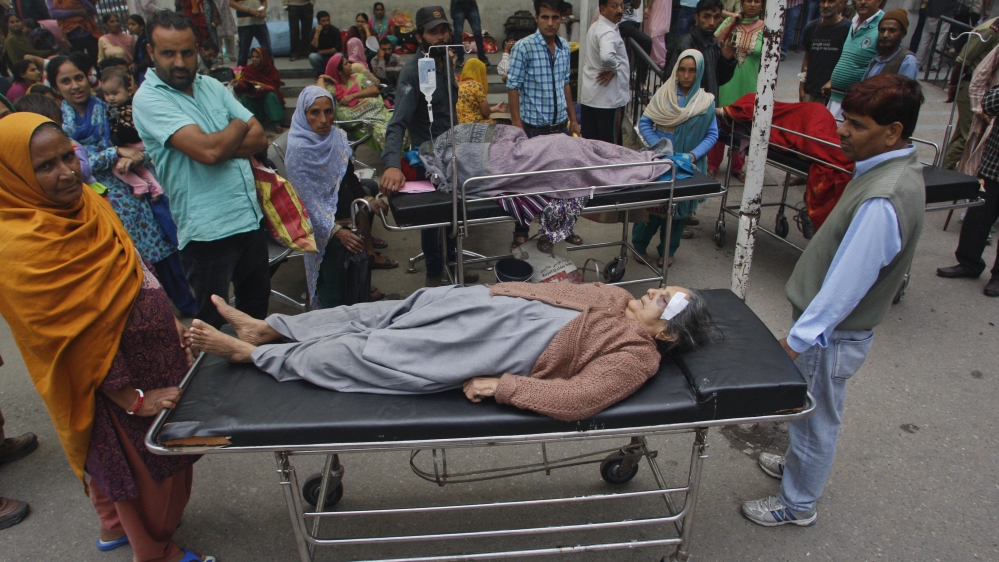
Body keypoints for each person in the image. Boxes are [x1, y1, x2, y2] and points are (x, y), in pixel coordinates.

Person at [0, 112, 212, 561]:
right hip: (116, 385)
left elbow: (133, 267)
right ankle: (156, 553)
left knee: (123, 469)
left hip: (150, 360)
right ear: (13, 173)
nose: (65, 173)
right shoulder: (16, 247)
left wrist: (170, 320)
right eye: (45, 166)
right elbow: (69, 341)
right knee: (144, 472)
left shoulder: (87, 205)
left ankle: (115, 527)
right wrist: (132, 397)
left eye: (67, 157)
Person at [741, 74, 927, 528]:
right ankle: (798, 471)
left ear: (893, 132)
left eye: (857, 125)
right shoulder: (885, 172)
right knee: (810, 417)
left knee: (816, 418)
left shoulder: (884, 197)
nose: (842, 130)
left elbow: (847, 285)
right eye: (844, 118)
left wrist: (798, 340)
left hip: (832, 335)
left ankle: (798, 503)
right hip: (830, 331)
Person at [187, 283, 715, 421]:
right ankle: (272, 328)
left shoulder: (637, 354)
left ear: (667, 334)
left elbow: (579, 398)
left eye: (664, 302)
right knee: (374, 313)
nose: (655, 293)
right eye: (663, 290)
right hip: (479, 305)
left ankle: (252, 355)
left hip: (487, 344)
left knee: (368, 354)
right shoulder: (621, 300)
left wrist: (503, 387)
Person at [133, 11, 272, 329]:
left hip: (248, 219)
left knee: (256, 313)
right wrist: (237, 124)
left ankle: (254, 375)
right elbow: (209, 151)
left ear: (197, 49)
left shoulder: (209, 85)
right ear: (152, 53)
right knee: (214, 326)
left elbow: (259, 136)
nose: (180, 62)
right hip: (206, 233)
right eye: (168, 53)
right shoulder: (149, 99)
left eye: (187, 51)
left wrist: (220, 143)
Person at [50, 55, 196, 317]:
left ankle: (191, 310)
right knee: (132, 263)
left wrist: (133, 154)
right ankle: (156, 317)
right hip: (104, 201)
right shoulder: (60, 127)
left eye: (79, 77)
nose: (75, 85)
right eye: (65, 81)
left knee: (166, 252)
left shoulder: (111, 107)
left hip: (142, 194)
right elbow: (77, 167)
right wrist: (115, 152)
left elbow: (144, 144)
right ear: (55, 88)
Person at [379, 5, 479, 287]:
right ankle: (435, 275)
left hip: (453, 155)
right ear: (420, 35)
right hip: (427, 159)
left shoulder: (444, 61)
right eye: (432, 32)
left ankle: (453, 267)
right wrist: (390, 164)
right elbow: (397, 123)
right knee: (433, 217)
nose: (440, 36)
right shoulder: (413, 72)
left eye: (443, 30)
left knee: (453, 217)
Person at [285, 87, 397, 309]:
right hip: (324, 234)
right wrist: (337, 232)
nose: (324, 120)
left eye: (329, 112)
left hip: (349, 223)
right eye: (315, 113)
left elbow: (347, 177)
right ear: (303, 114)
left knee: (354, 288)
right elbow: (306, 203)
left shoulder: (336, 138)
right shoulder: (299, 150)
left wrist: (367, 198)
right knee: (333, 294)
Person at [507, 0, 582, 246]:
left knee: (562, 181)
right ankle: (521, 230)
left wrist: (573, 120)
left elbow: (565, 85)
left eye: (555, 18)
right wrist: (517, 124)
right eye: (545, 17)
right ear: (537, 18)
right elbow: (513, 86)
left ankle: (560, 229)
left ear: (561, 19)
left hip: (559, 127)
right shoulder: (524, 47)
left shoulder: (563, 49)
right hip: (532, 128)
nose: (550, 23)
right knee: (528, 183)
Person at [636, 50, 717, 268]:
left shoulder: (705, 102)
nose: (687, 75)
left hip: (688, 165)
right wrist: (663, 149)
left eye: (692, 70)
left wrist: (692, 155)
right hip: (660, 162)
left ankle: (668, 250)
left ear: (699, 72)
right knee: (652, 208)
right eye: (682, 69)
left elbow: (712, 134)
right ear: (676, 70)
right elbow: (645, 124)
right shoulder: (663, 95)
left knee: (679, 212)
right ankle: (638, 246)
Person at [936, 80, 999, 296]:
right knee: (977, 216)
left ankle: (998, 277)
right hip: (993, 167)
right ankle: (969, 262)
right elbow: (988, 104)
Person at [706, 0, 764, 181]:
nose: (753, 5)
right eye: (749, 1)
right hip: (725, 82)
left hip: (750, 85)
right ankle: (712, 166)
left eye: (757, 1)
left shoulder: (768, 29)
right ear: (742, 3)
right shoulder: (731, 22)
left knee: (743, 125)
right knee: (718, 122)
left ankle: (738, 167)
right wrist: (732, 21)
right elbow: (713, 42)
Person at [942, 16, 999, 170]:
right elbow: (963, 60)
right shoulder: (990, 30)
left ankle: (944, 168)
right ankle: (944, 169)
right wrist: (953, 86)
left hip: (976, 87)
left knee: (961, 134)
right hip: (971, 87)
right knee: (968, 136)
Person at [664, 0, 737, 99]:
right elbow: (670, 81)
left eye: (716, 17)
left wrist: (726, 60)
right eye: (706, 17)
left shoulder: (714, 44)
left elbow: (719, 79)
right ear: (697, 18)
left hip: (708, 107)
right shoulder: (684, 44)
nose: (711, 22)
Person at [580, 0, 629, 145]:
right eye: (614, 6)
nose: (620, 10)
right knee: (611, 149)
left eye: (621, 5)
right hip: (608, 100)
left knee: (592, 146)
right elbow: (607, 57)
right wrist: (614, 68)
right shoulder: (608, 31)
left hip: (591, 97)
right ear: (602, 9)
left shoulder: (596, 27)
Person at [319, 53, 390, 150]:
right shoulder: (333, 87)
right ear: (339, 71)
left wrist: (353, 96)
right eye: (346, 64)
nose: (350, 65)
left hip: (378, 116)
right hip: (358, 125)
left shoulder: (359, 77)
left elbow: (375, 90)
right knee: (385, 134)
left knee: (396, 130)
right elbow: (320, 96)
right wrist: (321, 78)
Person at [825, 0, 882, 119]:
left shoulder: (884, 26)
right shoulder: (854, 22)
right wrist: (833, 80)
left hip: (856, 104)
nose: (863, 2)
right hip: (836, 97)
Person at [799, 0, 849, 105]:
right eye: (822, 2)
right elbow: (807, 57)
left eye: (831, 1)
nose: (825, 5)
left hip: (833, 93)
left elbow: (849, 60)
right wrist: (802, 85)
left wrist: (833, 82)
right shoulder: (811, 27)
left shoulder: (848, 28)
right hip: (811, 90)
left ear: (839, 3)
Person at [233, 47, 285, 133]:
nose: (254, 59)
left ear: (263, 58)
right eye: (253, 57)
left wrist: (265, 88)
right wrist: (238, 84)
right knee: (244, 97)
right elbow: (245, 84)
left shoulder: (271, 70)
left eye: (257, 57)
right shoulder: (248, 69)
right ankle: (255, 122)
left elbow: (275, 85)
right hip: (253, 97)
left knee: (271, 96)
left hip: (265, 96)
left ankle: (276, 123)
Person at [861, 9, 918, 81]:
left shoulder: (907, 60)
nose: (885, 35)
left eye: (892, 30)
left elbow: (904, 90)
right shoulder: (876, 59)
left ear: (902, 34)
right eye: (882, 30)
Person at [46, 0, 100, 67]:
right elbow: (53, 13)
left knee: (97, 60)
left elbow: (92, 10)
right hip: (71, 36)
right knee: (78, 63)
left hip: (88, 31)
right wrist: (76, 12)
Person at [456, 58, 505, 124]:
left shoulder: (457, 85)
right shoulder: (476, 86)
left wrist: (495, 108)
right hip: (474, 124)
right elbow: (486, 113)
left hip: (458, 124)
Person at [230, 0, 271, 67]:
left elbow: (264, 1)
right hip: (244, 24)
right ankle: (241, 74)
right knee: (243, 51)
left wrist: (263, 11)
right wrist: (249, 10)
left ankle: (270, 73)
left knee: (267, 50)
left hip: (260, 23)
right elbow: (231, 3)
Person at [450, 0, 488, 68]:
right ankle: (460, 58)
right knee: (458, 33)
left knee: (477, 31)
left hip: (471, 4)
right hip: (457, 5)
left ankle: (481, 56)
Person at [308, 10, 341, 77]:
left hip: (332, 57)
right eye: (323, 21)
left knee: (339, 55)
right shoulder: (314, 31)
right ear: (319, 22)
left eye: (328, 20)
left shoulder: (335, 30)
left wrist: (321, 51)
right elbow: (313, 49)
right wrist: (317, 34)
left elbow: (337, 49)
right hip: (321, 58)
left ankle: (335, 74)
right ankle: (322, 75)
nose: (327, 23)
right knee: (312, 57)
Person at [128, 15, 151, 86]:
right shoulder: (139, 40)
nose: (130, 27)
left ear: (141, 26)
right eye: (129, 25)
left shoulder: (145, 41)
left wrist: (136, 67)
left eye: (133, 24)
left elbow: (148, 60)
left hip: (146, 74)